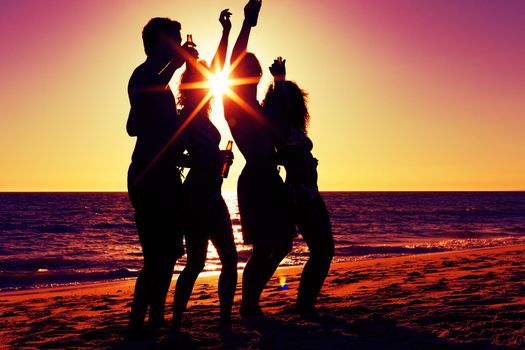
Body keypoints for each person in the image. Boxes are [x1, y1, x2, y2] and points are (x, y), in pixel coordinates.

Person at [223, 0, 295, 318]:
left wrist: (279, 80)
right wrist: (246, 24)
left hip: (272, 180)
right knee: (263, 247)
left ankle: (251, 300)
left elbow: (283, 121)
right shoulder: (233, 103)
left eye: (255, 68)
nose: (253, 70)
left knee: (282, 245)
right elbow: (237, 58)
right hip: (255, 181)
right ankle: (249, 305)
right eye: (248, 68)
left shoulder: (262, 109)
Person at [126, 16, 194, 338]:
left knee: (168, 254)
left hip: (163, 173)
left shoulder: (155, 82)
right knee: (156, 256)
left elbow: (131, 127)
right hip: (147, 177)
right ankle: (136, 325)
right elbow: (146, 99)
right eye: (175, 41)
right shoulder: (143, 76)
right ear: (161, 42)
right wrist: (177, 68)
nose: (180, 47)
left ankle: (154, 319)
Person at [171, 9, 238, 334]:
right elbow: (171, 157)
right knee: (197, 263)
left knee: (227, 259)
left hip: (212, 193)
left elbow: (217, 68)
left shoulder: (203, 115)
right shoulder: (185, 119)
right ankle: (176, 326)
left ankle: (224, 322)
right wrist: (203, 161)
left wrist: (225, 32)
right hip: (197, 196)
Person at [262, 58, 335, 314]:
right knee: (321, 249)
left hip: (310, 192)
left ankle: (306, 303)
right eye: (290, 99)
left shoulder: (293, 127)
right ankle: (304, 305)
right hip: (298, 193)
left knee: (326, 249)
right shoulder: (279, 126)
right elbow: (278, 106)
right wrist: (279, 81)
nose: (294, 103)